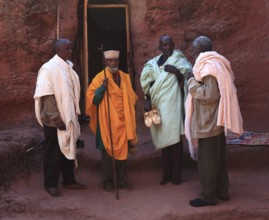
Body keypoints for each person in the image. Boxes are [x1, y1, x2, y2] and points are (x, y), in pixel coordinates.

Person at [184, 35, 243, 207]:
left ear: (200, 50)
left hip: (208, 122)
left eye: (195, 50)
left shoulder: (208, 66)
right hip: (216, 120)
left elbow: (210, 94)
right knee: (219, 159)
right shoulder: (218, 63)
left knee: (207, 162)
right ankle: (222, 192)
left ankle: (208, 196)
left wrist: (191, 82)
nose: (194, 54)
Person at [33, 38, 86, 197]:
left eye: (71, 49)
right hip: (54, 121)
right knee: (53, 152)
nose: (70, 52)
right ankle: (50, 184)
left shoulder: (67, 68)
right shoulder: (48, 69)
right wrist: (57, 120)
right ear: (57, 50)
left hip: (68, 119)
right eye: (67, 49)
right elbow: (46, 96)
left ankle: (69, 180)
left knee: (69, 148)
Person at [140, 35, 192, 186]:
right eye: (164, 45)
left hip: (173, 105)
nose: (167, 47)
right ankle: (166, 175)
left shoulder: (179, 60)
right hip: (159, 106)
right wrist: (147, 99)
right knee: (164, 141)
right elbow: (147, 83)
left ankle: (176, 177)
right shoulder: (152, 64)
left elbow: (189, 81)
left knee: (175, 141)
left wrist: (176, 72)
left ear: (173, 45)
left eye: (170, 44)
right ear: (160, 46)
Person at [86, 50, 138, 191]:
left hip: (123, 121)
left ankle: (122, 181)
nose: (113, 63)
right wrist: (102, 89)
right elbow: (92, 100)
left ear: (118, 62)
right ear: (105, 62)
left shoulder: (124, 77)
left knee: (123, 151)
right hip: (106, 121)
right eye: (110, 61)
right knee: (107, 154)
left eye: (115, 61)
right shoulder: (99, 78)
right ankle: (107, 182)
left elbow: (132, 98)